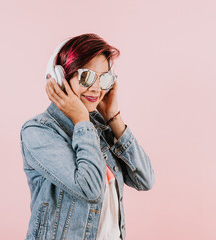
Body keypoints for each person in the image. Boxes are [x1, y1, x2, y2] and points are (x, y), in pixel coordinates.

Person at [20, 33, 155, 240]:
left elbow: (145, 179)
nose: (96, 88)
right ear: (60, 78)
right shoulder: (38, 131)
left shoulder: (99, 128)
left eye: (104, 78)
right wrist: (82, 121)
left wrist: (113, 118)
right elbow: (90, 189)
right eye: (86, 76)